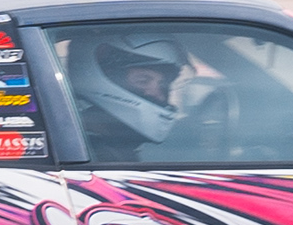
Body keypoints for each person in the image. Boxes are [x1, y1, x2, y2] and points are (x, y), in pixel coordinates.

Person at [72, 32, 198, 164]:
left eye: (162, 84)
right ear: (106, 79)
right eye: (143, 81)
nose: (159, 95)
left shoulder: (117, 142)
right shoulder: (90, 150)